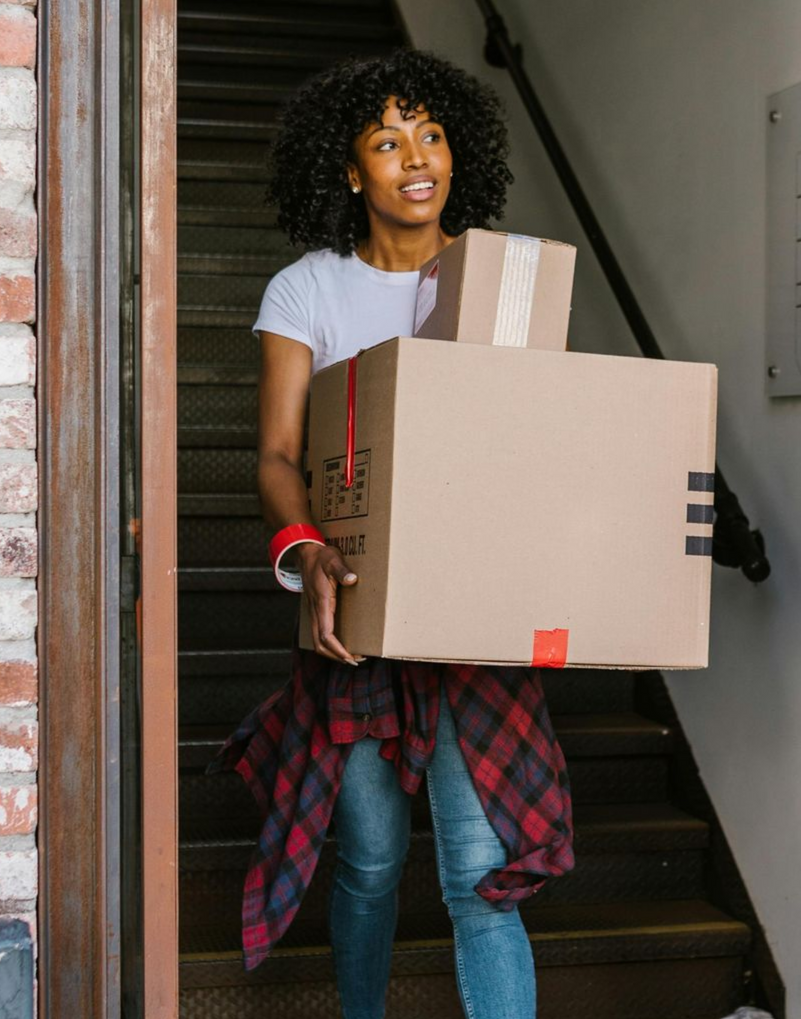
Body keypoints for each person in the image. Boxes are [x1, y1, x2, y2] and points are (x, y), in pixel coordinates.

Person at [209, 50, 575, 1019]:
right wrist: (309, 549)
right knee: (370, 862)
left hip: (473, 622)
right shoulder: (308, 292)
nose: (418, 159)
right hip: (359, 618)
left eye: (432, 134)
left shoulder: (502, 281)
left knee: (479, 874)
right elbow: (279, 455)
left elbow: (543, 446)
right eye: (387, 141)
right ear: (349, 168)